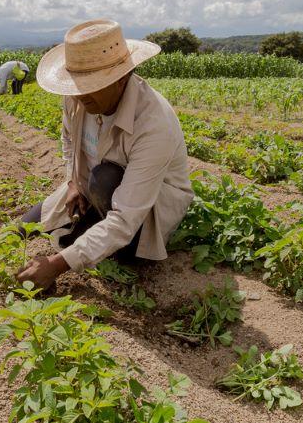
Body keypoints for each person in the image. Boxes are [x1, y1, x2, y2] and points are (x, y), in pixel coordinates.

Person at [17, 19, 193, 289]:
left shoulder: (154, 124)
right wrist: (73, 180)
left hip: (144, 210)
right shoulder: (76, 98)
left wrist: (57, 265)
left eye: (91, 85)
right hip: (92, 190)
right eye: (76, 85)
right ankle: (90, 224)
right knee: (22, 228)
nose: (79, 94)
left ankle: (123, 252)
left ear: (121, 79)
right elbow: (67, 139)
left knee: (104, 178)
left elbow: (125, 219)